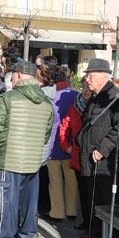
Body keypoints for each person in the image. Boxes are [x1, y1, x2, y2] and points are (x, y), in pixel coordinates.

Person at [0, 60, 53, 238]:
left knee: (6, 200)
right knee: (29, 202)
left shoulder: (7, 98)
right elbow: (46, 133)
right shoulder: (46, 102)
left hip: (8, 158)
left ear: (19, 75)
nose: (11, 79)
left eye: (13, 75)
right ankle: (28, 237)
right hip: (33, 160)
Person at [76, 58, 119, 238]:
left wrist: (103, 148)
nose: (87, 80)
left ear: (103, 76)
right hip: (92, 161)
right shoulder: (95, 97)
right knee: (95, 200)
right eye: (87, 76)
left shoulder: (117, 97)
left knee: (109, 204)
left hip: (108, 163)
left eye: (90, 76)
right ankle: (96, 232)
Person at [44, 66, 79, 222]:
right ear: (68, 78)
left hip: (52, 144)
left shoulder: (49, 96)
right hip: (70, 143)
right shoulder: (76, 95)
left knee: (55, 181)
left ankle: (57, 212)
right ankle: (72, 210)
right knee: (71, 179)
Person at [58, 76, 91, 230]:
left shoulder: (98, 105)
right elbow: (64, 126)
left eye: (88, 87)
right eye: (83, 87)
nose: (85, 90)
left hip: (93, 155)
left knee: (92, 192)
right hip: (78, 155)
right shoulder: (75, 106)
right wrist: (66, 146)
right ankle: (86, 221)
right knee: (83, 191)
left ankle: (94, 225)